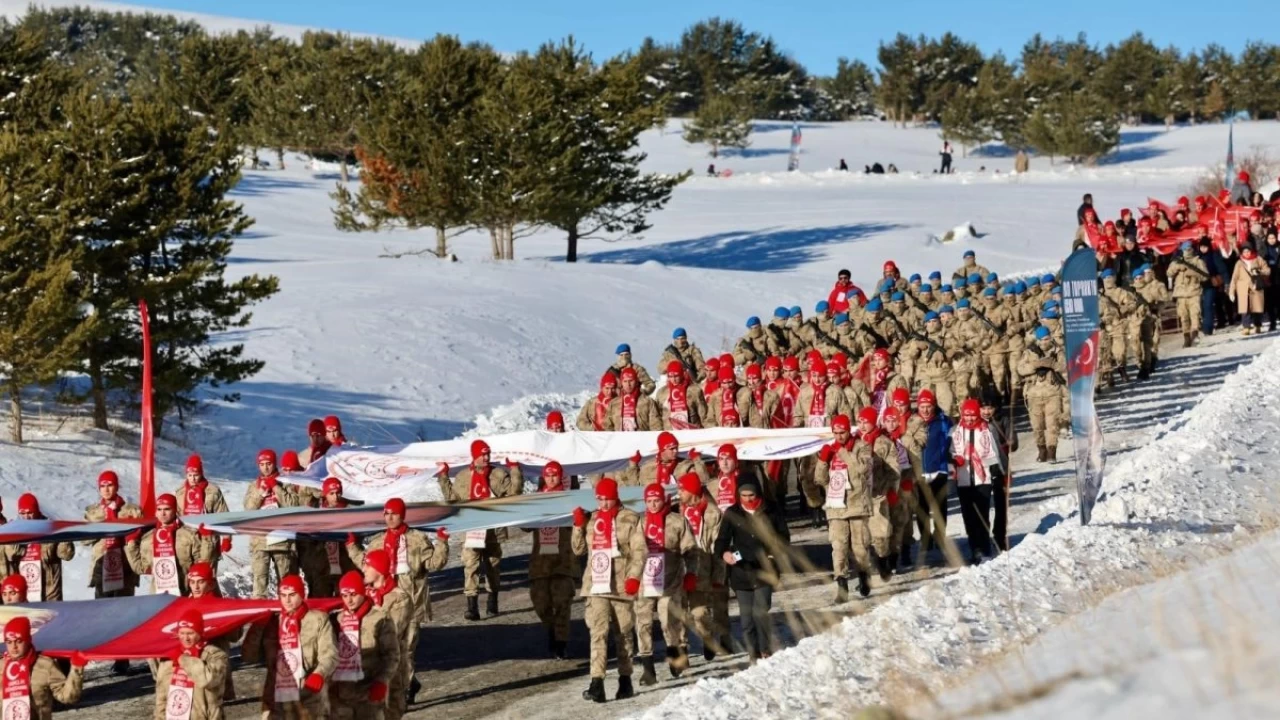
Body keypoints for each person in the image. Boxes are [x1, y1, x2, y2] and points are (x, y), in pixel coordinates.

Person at [571, 478, 645, 703]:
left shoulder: (631, 518)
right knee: (598, 632)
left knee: (623, 634)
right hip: (596, 585)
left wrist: (633, 577)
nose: (603, 503)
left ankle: (625, 679)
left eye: (607, 499)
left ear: (616, 497)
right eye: (599, 499)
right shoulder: (592, 519)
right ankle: (597, 682)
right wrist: (577, 526)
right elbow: (578, 550)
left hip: (621, 586)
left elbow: (640, 550)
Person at [816, 414, 895, 601]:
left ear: (848, 431)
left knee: (860, 547)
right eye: (835, 433)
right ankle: (841, 584)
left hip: (857, 504)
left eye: (842, 433)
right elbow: (820, 479)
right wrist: (822, 460)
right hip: (836, 504)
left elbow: (862, 471)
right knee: (838, 547)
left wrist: (843, 452)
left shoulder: (863, 447)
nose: (838, 437)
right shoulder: (831, 448)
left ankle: (863, 575)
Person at [435, 439, 516, 619]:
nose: (486, 457)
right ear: (475, 456)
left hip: (493, 529)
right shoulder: (464, 477)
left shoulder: (498, 474)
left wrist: (516, 470)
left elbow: (514, 494)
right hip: (471, 528)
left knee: (492, 565)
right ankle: (471, 606)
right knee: (470, 565)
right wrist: (443, 477)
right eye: (482, 454)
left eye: (488, 454)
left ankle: (492, 598)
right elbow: (452, 498)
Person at [713, 477, 789, 663]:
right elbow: (721, 541)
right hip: (741, 571)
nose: (747, 499)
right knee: (746, 620)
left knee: (761, 611)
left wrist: (773, 555)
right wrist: (724, 554)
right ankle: (752, 652)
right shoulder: (733, 513)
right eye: (743, 495)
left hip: (765, 569)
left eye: (751, 495)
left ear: (758, 494)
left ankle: (765, 649)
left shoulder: (771, 511)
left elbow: (783, 538)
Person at [242, 574, 338, 720]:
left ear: (302, 594)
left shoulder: (317, 619)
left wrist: (320, 673)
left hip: (308, 696)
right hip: (276, 699)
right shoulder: (272, 622)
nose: (287, 600)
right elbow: (249, 656)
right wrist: (257, 626)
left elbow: (330, 654)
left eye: (292, 595)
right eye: (283, 595)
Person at [633, 483, 697, 685]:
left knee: (668, 622)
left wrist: (691, 573)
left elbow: (690, 549)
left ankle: (675, 655)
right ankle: (648, 668)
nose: (653, 505)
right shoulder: (640, 523)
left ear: (664, 500)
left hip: (670, 581)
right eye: (649, 501)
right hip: (646, 580)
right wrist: (632, 577)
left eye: (656, 500)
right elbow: (634, 552)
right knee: (642, 623)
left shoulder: (677, 521)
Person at [329, 570, 399, 719]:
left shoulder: (380, 618)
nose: (349, 600)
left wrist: (382, 681)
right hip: (342, 693)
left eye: (353, 595)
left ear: (362, 592)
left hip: (369, 691)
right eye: (345, 596)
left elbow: (392, 655)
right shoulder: (338, 619)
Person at [358, 549, 416, 720]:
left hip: (392, 671)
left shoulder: (400, 599)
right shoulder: (364, 595)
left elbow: (391, 631)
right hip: (367, 667)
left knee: (391, 714)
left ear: (379, 569)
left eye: (367, 566)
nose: (363, 570)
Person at [527, 462, 576, 659]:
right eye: (548, 475)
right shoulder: (537, 500)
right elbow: (525, 527)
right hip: (540, 563)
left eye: (555, 475)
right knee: (540, 603)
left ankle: (561, 642)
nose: (552, 478)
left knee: (562, 603)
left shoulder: (570, 500)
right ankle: (551, 629)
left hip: (562, 562)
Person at [676, 473, 728, 660]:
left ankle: (707, 638)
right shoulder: (679, 510)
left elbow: (718, 549)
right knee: (678, 615)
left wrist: (717, 578)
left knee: (700, 614)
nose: (679, 493)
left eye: (682, 489)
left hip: (701, 571)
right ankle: (681, 653)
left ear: (692, 491)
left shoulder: (713, 514)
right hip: (679, 571)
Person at [123, 493, 215, 596]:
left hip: (184, 593)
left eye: (167, 509)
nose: (163, 513)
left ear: (175, 510)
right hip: (157, 596)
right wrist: (131, 543)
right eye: (159, 509)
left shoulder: (189, 536)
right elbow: (139, 568)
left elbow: (203, 565)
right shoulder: (148, 538)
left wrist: (207, 539)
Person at [950, 399, 1004, 564]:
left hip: (983, 479)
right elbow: (949, 452)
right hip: (963, 479)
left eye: (973, 416)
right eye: (967, 416)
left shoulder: (987, 430)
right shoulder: (955, 432)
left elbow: (996, 453)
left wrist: (998, 472)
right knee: (968, 516)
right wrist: (954, 460)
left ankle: (985, 547)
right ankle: (975, 549)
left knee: (982, 514)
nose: (970, 419)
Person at [2, 617, 86, 719]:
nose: (14, 647)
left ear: (28, 639)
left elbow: (68, 697)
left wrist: (76, 668)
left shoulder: (45, 665)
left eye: (19, 641)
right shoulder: (2, 665)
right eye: (9, 642)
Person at [904, 389, 953, 562]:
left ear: (934, 405)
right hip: (919, 472)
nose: (925, 410)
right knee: (922, 508)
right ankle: (925, 542)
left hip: (939, 469)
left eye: (928, 406)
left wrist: (950, 458)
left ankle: (940, 538)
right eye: (922, 406)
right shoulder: (912, 422)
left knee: (940, 508)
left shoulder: (944, 421)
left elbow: (952, 441)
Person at [154, 609, 229, 720]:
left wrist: (182, 659)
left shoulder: (215, 655)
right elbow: (161, 695)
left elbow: (207, 679)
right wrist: (159, 717)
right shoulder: (169, 658)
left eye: (190, 633)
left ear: (199, 633)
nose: (186, 638)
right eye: (182, 633)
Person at [244, 449, 300, 598]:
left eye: (268, 464)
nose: (266, 467)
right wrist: (261, 492)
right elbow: (248, 509)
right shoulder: (254, 485)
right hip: (260, 539)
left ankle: (285, 613)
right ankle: (260, 616)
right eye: (262, 464)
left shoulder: (285, 482)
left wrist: (276, 487)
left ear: (274, 463)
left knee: (285, 582)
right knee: (259, 583)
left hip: (280, 539)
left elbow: (293, 505)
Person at [3, 494, 75, 602]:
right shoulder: (14, 529)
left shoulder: (50, 528)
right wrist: (17, 531)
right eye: (22, 514)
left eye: (30, 513)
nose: (27, 517)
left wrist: (62, 534)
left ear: (36, 511)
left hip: (50, 593)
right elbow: (11, 555)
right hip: (24, 592)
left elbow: (66, 554)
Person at [300, 477, 358, 598]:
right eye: (331, 494)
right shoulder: (316, 511)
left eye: (338, 493)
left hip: (344, 565)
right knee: (320, 603)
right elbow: (307, 539)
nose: (335, 497)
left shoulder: (350, 510)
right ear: (325, 494)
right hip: (322, 567)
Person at [174, 455, 232, 570]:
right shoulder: (180, 492)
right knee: (186, 578)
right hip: (186, 541)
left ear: (201, 473)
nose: (193, 479)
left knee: (207, 576)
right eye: (190, 475)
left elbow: (223, 515)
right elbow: (176, 514)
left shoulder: (212, 491)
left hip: (208, 539)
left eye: (196, 475)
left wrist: (227, 538)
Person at [1018, 327, 1065, 462]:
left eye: (1047, 339)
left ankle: (1052, 452)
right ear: (1037, 340)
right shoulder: (1029, 352)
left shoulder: (1057, 351)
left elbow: (1065, 366)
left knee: (1052, 424)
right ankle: (1041, 450)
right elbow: (1020, 369)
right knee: (1037, 426)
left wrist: (1053, 364)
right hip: (1033, 394)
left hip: (1052, 393)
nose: (1045, 342)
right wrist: (1035, 365)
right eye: (1042, 340)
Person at [979, 392, 1016, 552]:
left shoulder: (1004, 420)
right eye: (983, 407)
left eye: (990, 408)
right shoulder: (975, 423)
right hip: (982, 470)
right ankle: (983, 538)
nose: (986, 411)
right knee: (983, 505)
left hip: (1000, 468)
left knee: (1002, 506)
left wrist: (1009, 442)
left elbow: (1014, 442)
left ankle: (1000, 536)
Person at [619, 431, 709, 487]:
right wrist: (633, 464)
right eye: (671, 449)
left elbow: (704, 481)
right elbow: (635, 486)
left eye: (676, 448)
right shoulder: (648, 466)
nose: (675, 451)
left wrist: (697, 460)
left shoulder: (685, 465)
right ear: (662, 449)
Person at [1167, 242, 1209, 347]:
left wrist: (1194, 273)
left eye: (1189, 248)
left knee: (1195, 315)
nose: (1188, 250)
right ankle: (1186, 338)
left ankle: (1195, 335)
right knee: (1184, 317)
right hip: (1180, 294)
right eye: (1185, 249)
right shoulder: (1177, 261)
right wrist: (1177, 267)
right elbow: (1169, 273)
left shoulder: (1198, 261)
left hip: (1194, 292)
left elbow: (1205, 276)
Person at [655, 360, 708, 430]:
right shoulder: (662, 393)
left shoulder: (694, 391)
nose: (673, 379)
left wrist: (708, 430)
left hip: (692, 431)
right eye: (670, 376)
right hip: (670, 431)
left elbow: (704, 414)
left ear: (681, 374)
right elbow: (657, 416)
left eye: (676, 376)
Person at [1229, 246, 1271, 335]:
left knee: (1256, 308)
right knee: (1245, 308)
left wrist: (1260, 272)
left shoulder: (1258, 259)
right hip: (1243, 288)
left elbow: (1267, 271)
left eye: (1248, 251)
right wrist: (1231, 291)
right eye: (1244, 252)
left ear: (1251, 251)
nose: (1246, 253)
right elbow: (1234, 278)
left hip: (1256, 286)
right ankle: (1246, 327)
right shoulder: (1239, 263)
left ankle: (1257, 325)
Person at [607, 367, 661, 431]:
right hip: (619, 439)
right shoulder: (613, 404)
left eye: (631, 381)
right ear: (621, 383)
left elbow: (656, 426)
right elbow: (608, 426)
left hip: (642, 439)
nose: (628, 384)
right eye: (625, 381)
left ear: (636, 382)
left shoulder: (648, 402)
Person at [1263, 231, 1280, 331]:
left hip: (1278, 276)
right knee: (1270, 302)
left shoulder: (1279, 247)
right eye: (1269, 238)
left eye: (1273, 238)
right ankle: (1272, 322)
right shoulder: (1264, 249)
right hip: (1268, 278)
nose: (1271, 240)